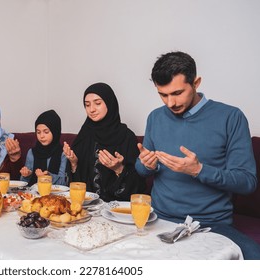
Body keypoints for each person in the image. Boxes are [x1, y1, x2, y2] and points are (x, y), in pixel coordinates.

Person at [135, 51, 260, 259]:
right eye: (163, 95)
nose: (170, 103)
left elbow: (247, 182)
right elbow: (141, 170)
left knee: (254, 257)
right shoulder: (155, 117)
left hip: (211, 224)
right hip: (158, 220)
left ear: (196, 83)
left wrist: (199, 170)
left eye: (177, 93)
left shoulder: (231, 117)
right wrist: (146, 165)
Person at [63, 82, 146, 202]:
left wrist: (119, 169)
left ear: (109, 103)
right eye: (87, 105)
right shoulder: (85, 134)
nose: (91, 109)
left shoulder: (126, 136)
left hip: (115, 210)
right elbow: (75, 186)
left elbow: (139, 184)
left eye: (97, 103)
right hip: (85, 206)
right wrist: (74, 163)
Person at [20, 110, 67, 186]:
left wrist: (48, 177)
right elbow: (23, 183)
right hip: (34, 194)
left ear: (55, 131)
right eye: (38, 132)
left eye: (46, 132)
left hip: (56, 196)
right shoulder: (32, 152)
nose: (41, 136)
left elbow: (64, 182)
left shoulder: (63, 153)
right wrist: (26, 175)